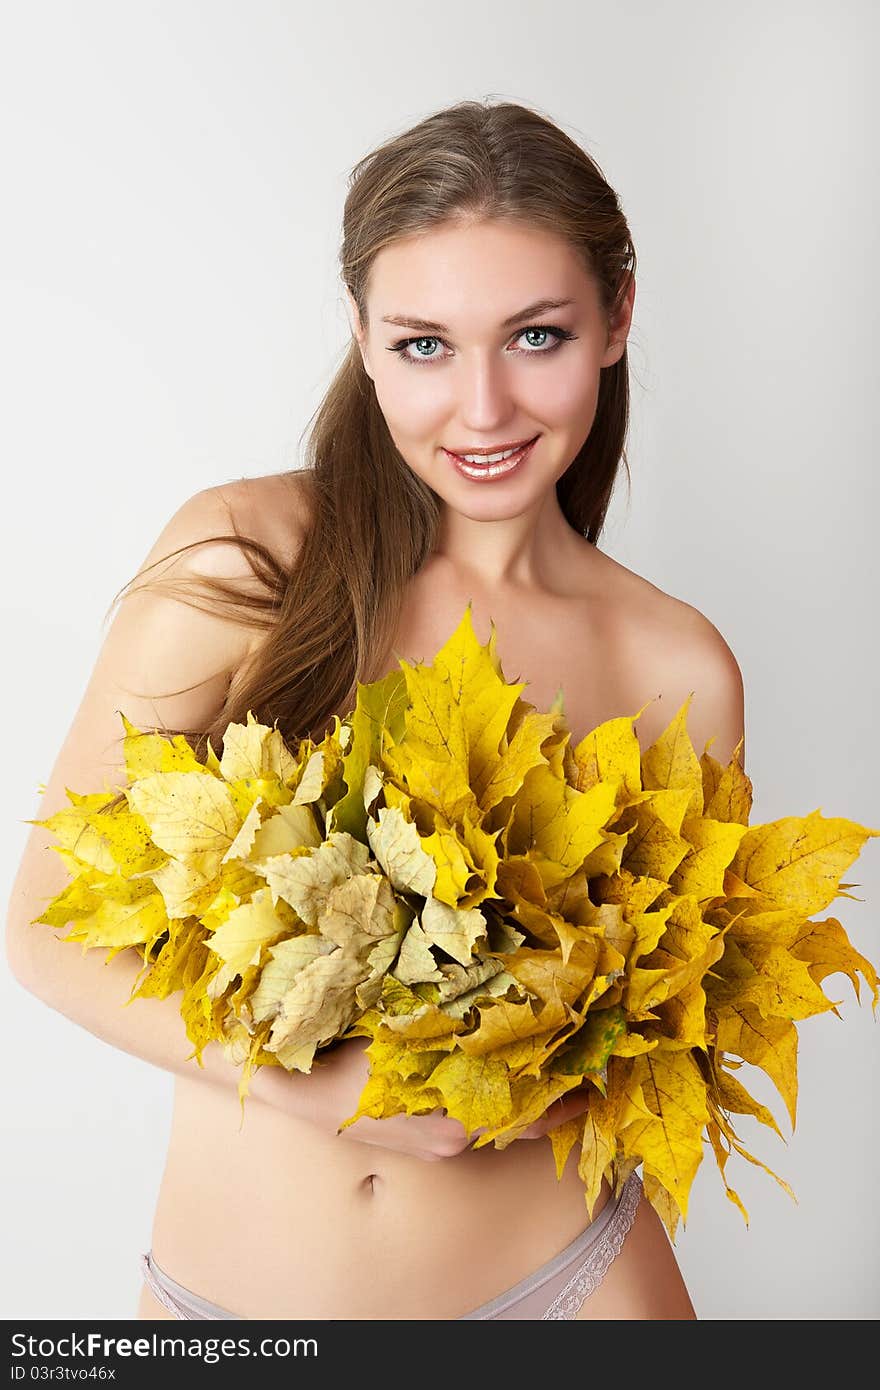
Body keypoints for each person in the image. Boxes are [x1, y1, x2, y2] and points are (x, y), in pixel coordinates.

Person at [5, 98, 745, 1320]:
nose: (485, 407)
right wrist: (339, 1091)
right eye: (423, 346)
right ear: (359, 334)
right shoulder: (250, 557)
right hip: (236, 1311)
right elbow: (42, 932)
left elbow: (649, 1045)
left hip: (575, 1283)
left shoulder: (679, 668)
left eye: (536, 336)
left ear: (615, 317)